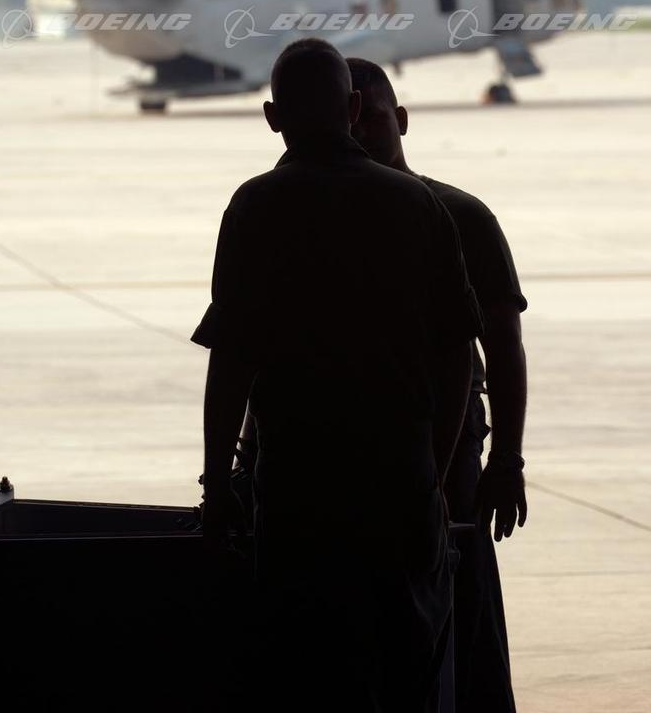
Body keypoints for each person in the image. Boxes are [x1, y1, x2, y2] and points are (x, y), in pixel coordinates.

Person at [192, 38, 482, 712]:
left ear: (272, 118)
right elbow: (457, 358)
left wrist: (218, 486)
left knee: (310, 677)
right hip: (401, 490)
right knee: (408, 673)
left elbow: (232, 362)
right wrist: (434, 477)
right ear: (353, 108)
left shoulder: (256, 207)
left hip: (300, 497)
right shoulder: (419, 206)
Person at [346, 57, 528, 713]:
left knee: (463, 615)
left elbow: (503, 350)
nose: (360, 134)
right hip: (346, 454)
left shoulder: (460, 216)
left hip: (446, 457)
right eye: (348, 121)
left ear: (401, 120)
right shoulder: (314, 214)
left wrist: (506, 460)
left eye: (372, 119)